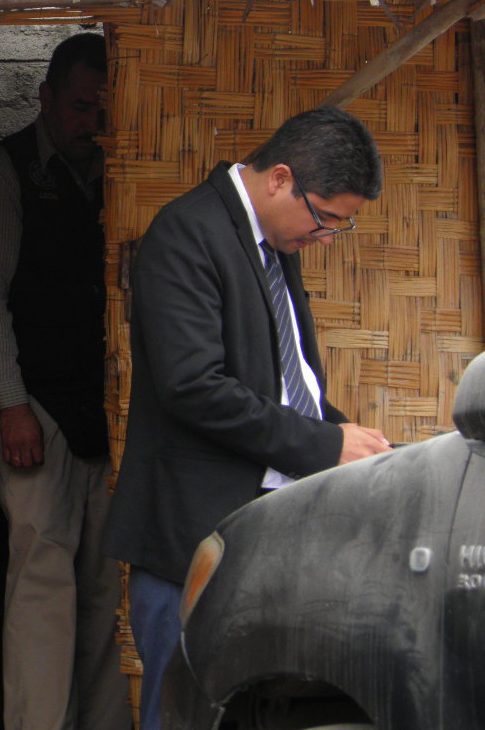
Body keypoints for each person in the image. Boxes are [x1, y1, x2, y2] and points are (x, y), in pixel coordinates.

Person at [102, 106, 392, 730]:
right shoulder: (188, 232)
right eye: (325, 218)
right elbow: (193, 386)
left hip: (262, 534)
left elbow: (286, 384)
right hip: (194, 539)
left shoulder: (272, 241)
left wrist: (351, 440)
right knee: (183, 714)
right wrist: (323, 445)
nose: (326, 238)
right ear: (280, 178)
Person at [0, 31, 131, 730]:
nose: (93, 122)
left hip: (101, 415)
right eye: (82, 107)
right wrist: (12, 406)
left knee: (103, 588)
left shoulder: (117, 173)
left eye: (103, 110)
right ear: (46, 97)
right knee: (42, 585)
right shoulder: (4, 173)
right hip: (37, 413)